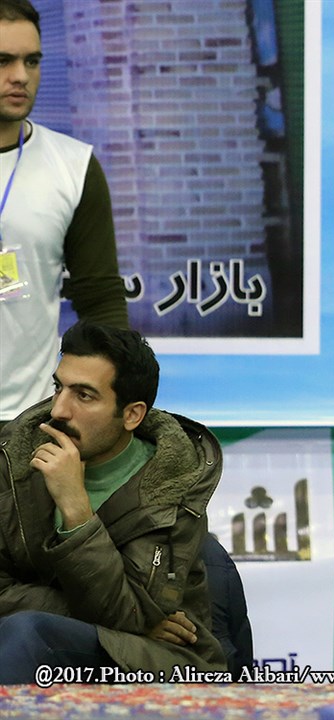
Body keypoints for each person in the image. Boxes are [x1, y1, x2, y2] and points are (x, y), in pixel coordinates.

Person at [0, 320, 226, 683]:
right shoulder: (13, 460)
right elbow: (138, 620)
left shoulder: (170, 487)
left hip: (156, 657)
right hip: (62, 636)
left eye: (84, 396)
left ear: (132, 415)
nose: (59, 410)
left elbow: (132, 610)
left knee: (30, 633)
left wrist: (77, 511)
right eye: (59, 387)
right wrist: (111, 617)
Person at [0, 0, 128, 421]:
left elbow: (100, 301)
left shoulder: (73, 167)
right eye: (3, 61)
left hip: (29, 420)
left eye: (32, 61)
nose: (20, 76)